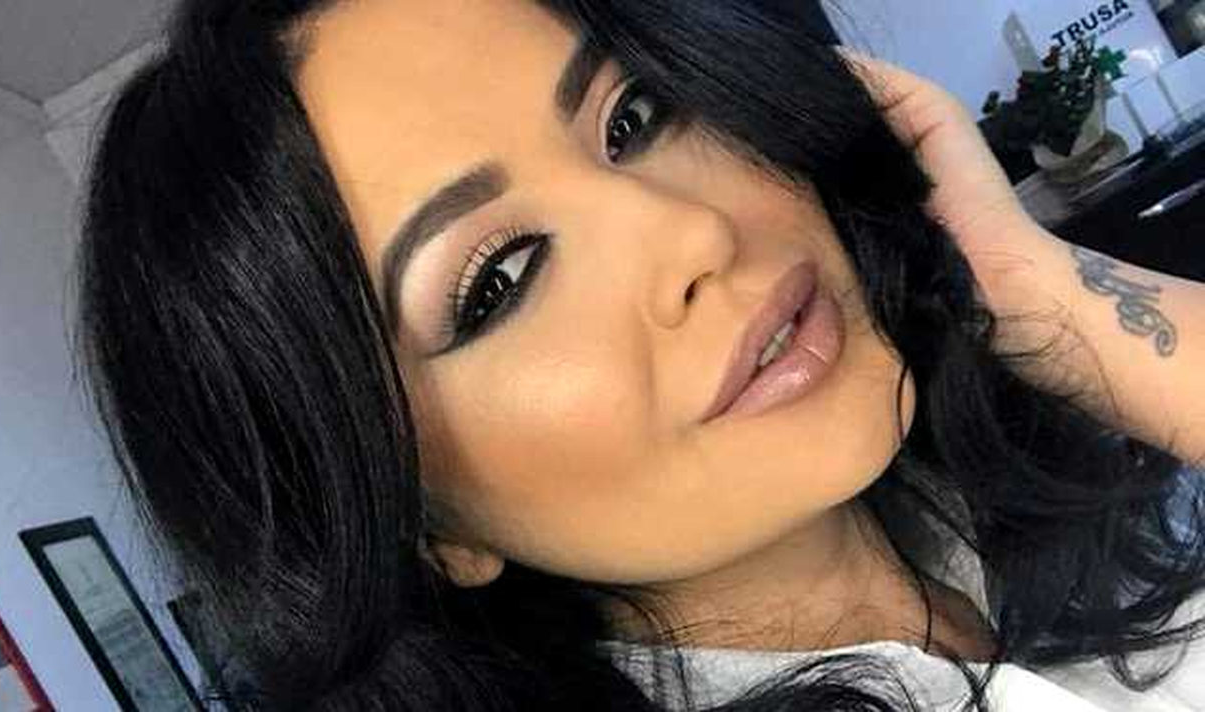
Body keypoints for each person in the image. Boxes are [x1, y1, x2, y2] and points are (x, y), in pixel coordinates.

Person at [73, 0, 1205, 709]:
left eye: (634, 118)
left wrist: (1035, 288)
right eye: (500, 277)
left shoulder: (989, 496)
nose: (692, 232)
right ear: (423, 527)